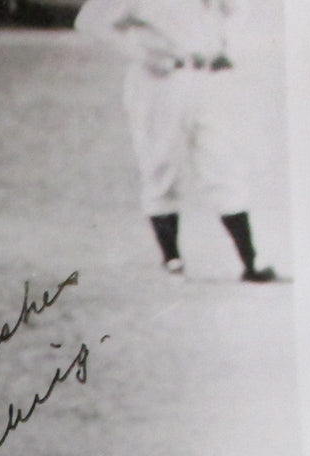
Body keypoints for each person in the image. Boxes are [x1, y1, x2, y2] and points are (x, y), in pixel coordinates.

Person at [74, 0, 277, 282]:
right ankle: (172, 260)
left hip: (206, 77)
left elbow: (237, 10)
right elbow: (90, 20)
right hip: (159, 80)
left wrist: (227, 44)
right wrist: (140, 53)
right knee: (160, 166)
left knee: (223, 165)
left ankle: (251, 263)